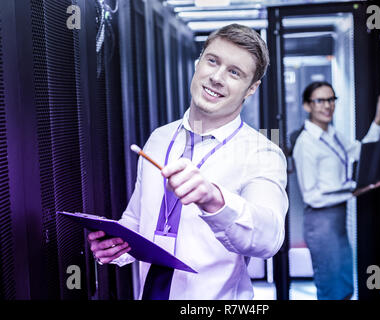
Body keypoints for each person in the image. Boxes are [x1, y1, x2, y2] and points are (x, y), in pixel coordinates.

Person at [87, 24, 288, 300]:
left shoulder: (261, 152)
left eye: (234, 72)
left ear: (251, 89)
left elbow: (269, 238)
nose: (217, 77)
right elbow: (137, 220)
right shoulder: (159, 138)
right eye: (212, 61)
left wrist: (214, 199)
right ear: (199, 62)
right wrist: (116, 247)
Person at [292, 81, 380, 300]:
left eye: (331, 99)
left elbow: (360, 152)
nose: (328, 106)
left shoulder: (332, 135)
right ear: (308, 106)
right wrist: (353, 191)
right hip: (321, 222)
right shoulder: (306, 144)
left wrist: (378, 118)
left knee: (343, 285)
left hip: (337, 220)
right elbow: (311, 195)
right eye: (320, 101)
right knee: (331, 288)